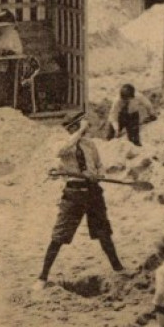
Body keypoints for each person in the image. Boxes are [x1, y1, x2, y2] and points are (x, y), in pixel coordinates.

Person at [39, 114, 126, 286]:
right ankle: (42, 276)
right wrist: (79, 131)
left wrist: (99, 174)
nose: (83, 130)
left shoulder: (90, 144)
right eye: (77, 127)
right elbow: (60, 151)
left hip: (94, 193)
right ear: (72, 128)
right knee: (59, 235)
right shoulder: (63, 144)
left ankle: (118, 268)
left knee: (104, 233)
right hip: (74, 193)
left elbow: (99, 163)